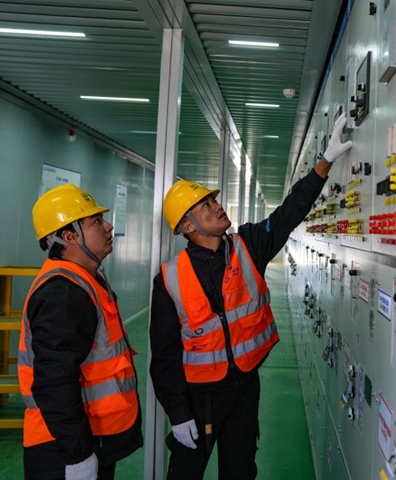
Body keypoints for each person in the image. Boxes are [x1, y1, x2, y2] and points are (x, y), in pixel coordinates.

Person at [150, 113, 353, 479]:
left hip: (244, 387)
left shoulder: (248, 245)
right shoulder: (169, 279)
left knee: (241, 471)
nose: (217, 206)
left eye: (213, 200)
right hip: (199, 397)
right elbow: (164, 356)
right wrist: (177, 414)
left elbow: (290, 211)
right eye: (206, 205)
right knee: (184, 474)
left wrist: (325, 161)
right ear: (187, 226)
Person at [18, 184, 142, 480]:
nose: (108, 226)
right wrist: (77, 455)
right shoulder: (62, 293)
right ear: (70, 236)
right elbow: (54, 381)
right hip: (62, 448)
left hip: (87, 437)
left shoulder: (84, 281)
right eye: (96, 221)